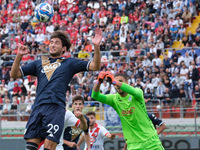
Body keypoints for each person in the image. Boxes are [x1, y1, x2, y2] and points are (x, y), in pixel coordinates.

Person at [10, 28, 102, 150]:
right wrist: (19, 56)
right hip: (38, 107)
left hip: (56, 108)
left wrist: (96, 46)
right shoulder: (39, 63)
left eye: (56, 43)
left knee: (49, 147)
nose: (52, 45)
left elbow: (95, 66)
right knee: (30, 148)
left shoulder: (69, 63)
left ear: (64, 48)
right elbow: (14, 74)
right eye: (51, 42)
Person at [92, 72, 164, 150]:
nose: (116, 84)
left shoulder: (137, 92)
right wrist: (98, 82)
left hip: (151, 142)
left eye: (120, 81)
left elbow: (133, 91)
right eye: (114, 82)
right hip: (133, 145)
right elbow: (95, 96)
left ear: (127, 82)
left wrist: (115, 81)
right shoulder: (114, 99)